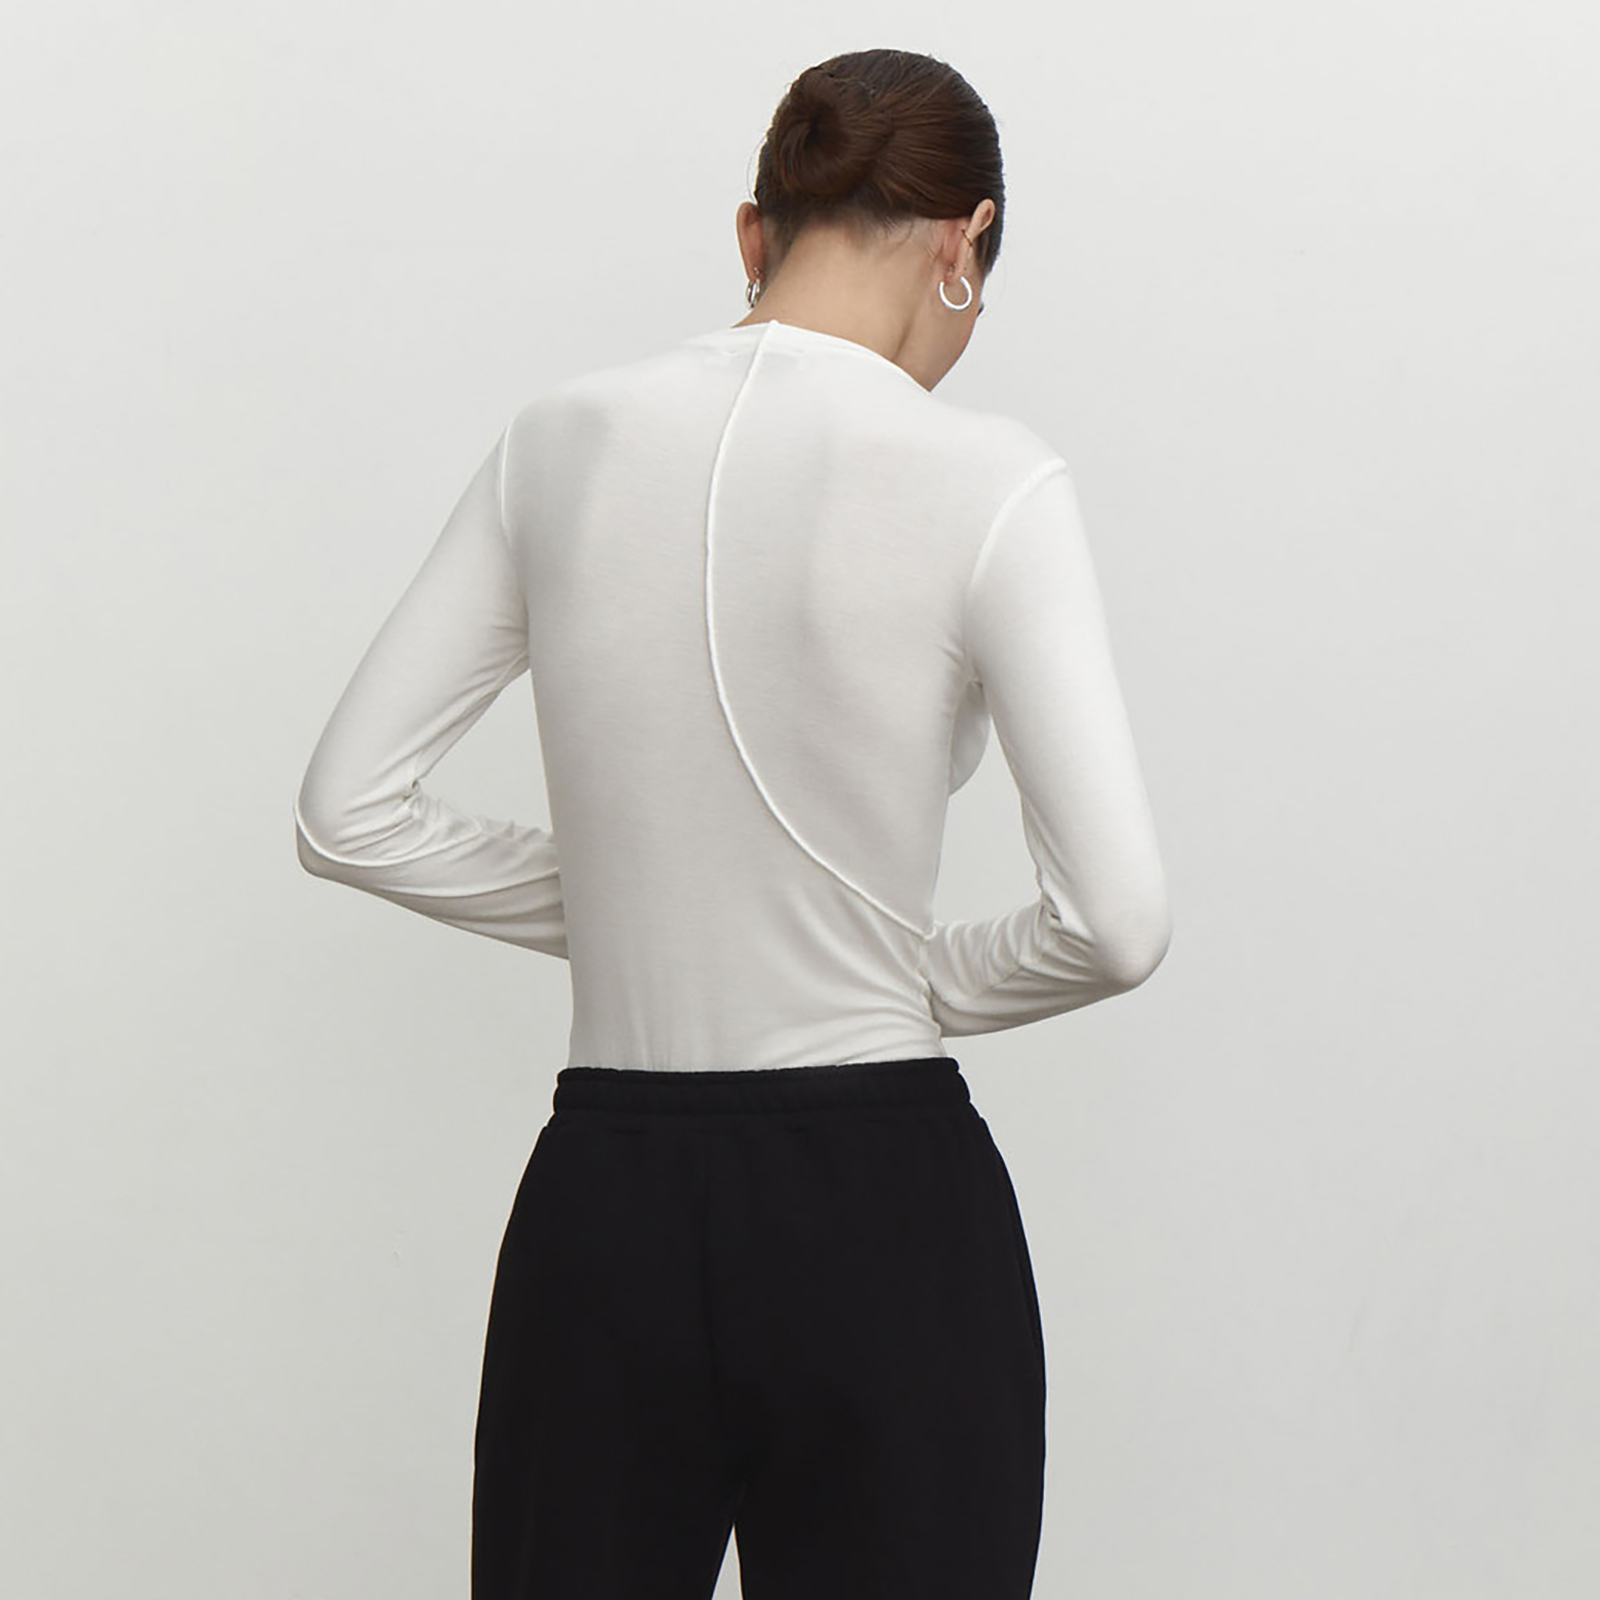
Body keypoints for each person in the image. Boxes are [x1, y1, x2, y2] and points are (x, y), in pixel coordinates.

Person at [293, 46, 1170, 1600]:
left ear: (755, 232)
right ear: (966, 241)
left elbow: (346, 812)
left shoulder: (558, 440)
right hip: (888, 1212)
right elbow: (1116, 924)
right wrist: (889, 971)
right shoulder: (991, 478)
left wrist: (654, 906)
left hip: (605, 1213)